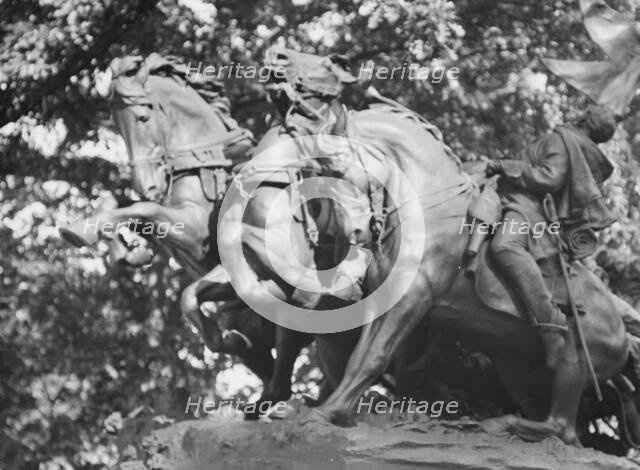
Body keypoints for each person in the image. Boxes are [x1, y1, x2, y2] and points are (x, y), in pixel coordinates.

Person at [486, 105, 617, 368]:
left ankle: (550, 323)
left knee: (506, 245)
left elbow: (550, 178)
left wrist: (506, 165)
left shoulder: (563, 140)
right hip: (510, 198)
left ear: (585, 117)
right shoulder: (567, 141)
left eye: (584, 111)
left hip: (528, 207)